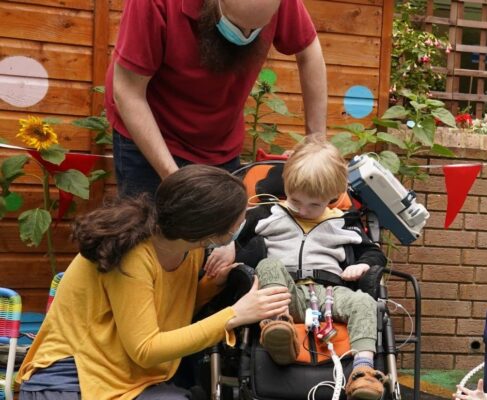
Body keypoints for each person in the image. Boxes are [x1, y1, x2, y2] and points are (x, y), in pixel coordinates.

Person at [16, 165, 291, 400]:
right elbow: (146, 349)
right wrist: (234, 316)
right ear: (209, 231)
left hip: (122, 375)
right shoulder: (133, 255)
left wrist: (212, 287)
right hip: (71, 378)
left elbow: (162, 312)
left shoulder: (186, 246)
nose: (245, 221)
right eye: (240, 219)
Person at [107, 0, 327, 198]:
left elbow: (309, 50)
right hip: (151, 134)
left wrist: (316, 140)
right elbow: (128, 92)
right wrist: (172, 178)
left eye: (257, 28)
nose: (246, 35)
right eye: (237, 25)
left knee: (217, 237)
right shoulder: (154, 4)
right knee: (150, 233)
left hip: (220, 142)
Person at [222, 141, 388, 399]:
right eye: (295, 200)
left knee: (364, 302)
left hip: (329, 293)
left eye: (314, 205)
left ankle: (362, 372)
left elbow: (374, 253)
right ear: (286, 186)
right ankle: (279, 331)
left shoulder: (343, 223)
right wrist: (228, 247)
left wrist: (362, 265)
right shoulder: (268, 214)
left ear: (331, 197)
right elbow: (232, 236)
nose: (302, 209)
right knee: (269, 264)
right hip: (282, 295)